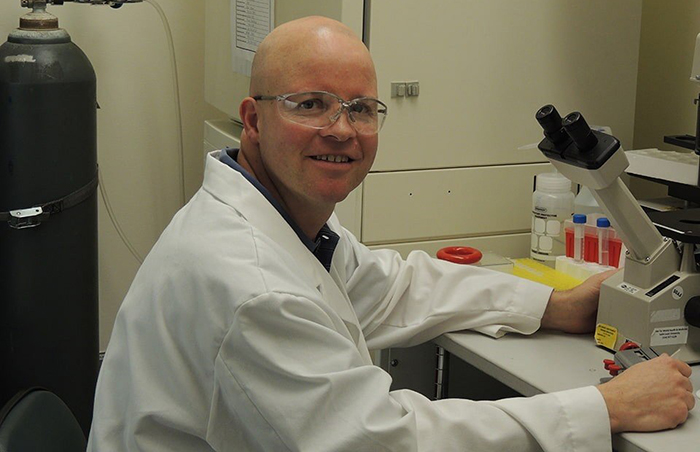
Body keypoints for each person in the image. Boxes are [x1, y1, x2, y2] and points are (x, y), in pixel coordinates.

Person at [87, 16, 694, 452]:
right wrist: (603, 408)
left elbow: (390, 286)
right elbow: (385, 441)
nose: (341, 129)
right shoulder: (252, 284)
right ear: (253, 120)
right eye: (310, 104)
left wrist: (551, 304)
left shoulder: (283, 219)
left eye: (360, 108)